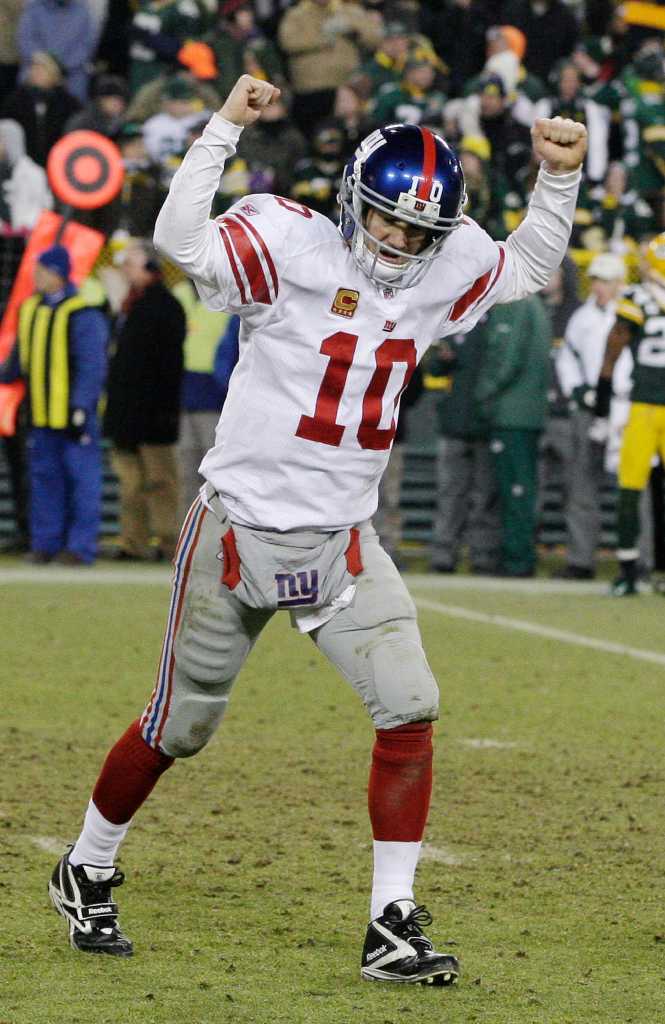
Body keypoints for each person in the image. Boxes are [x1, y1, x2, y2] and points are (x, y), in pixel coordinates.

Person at [47, 75, 587, 982]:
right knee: (178, 728)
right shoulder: (289, 242)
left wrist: (559, 179)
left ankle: (390, 921)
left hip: (342, 540)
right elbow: (177, 237)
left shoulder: (444, 266)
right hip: (237, 532)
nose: (399, 242)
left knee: (410, 706)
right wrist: (221, 127)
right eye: (384, 220)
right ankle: (87, 863)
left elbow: (527, 266)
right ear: (350, 203)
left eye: (418, 230)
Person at [13, 245, 108, 564]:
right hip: (40, 416)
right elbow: (18, 361)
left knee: (82, 483)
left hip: (72, 416)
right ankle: (46, 543)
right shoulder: (30, 309)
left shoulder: (82, 313)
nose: (37, 276)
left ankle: (79, 548)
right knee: (45, 483)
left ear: (59, 274)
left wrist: (81, 406)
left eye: (43, 271)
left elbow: (92, 365)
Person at [102, 239, 185, 562]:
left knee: (161, 483)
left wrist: (164, 413)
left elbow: (168, 369)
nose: (124, 268)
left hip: (154, 416)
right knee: (130, 485)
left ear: (151, 267)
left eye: (131, 263)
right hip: (127, 414)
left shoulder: (165, 307)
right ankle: (132, 541)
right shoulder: (128, 306)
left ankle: (168, 543)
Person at [592, 233, 665, 595]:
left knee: (630, 490)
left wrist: (601, 406)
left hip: (644, 405)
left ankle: (628, 570)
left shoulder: (636, 298)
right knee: (631, 490)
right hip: (644, 404)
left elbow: (612, 351)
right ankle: (638, 569)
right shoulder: (637, 298)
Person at [551, 252, 628, 580]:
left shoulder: (632, 315)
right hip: (589, 408)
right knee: (581, 485)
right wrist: (576, 388)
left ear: (620, 284)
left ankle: (639, 561)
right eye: (596, 280)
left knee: (633, 488)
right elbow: (567, 358)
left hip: (624, 406)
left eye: (606, 281)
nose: (600, 287)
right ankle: (581, 560)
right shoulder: (582, 317)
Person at [475, 293, 552, 577]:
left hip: (512, 412)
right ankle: (518, 555)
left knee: (515, 490)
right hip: (527, 411)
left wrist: (482, 393)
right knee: (521, 489)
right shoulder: (534, 304)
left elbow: (507, 358)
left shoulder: (515, 304)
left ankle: (517, 559)